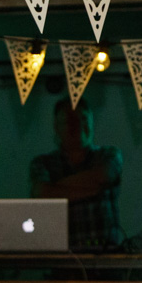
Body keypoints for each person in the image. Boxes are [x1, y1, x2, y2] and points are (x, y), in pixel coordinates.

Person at [29, 97, 124, 251]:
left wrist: (55, 189)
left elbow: (103, 176)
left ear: (92, 122)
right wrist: (94, 189)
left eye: (83, 119)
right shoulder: (42, 163)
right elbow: (42, 193)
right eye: (70, 121)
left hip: (105, 258)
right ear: (56, 127)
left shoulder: (109, 154)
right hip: (62, 261)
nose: (78, 126)